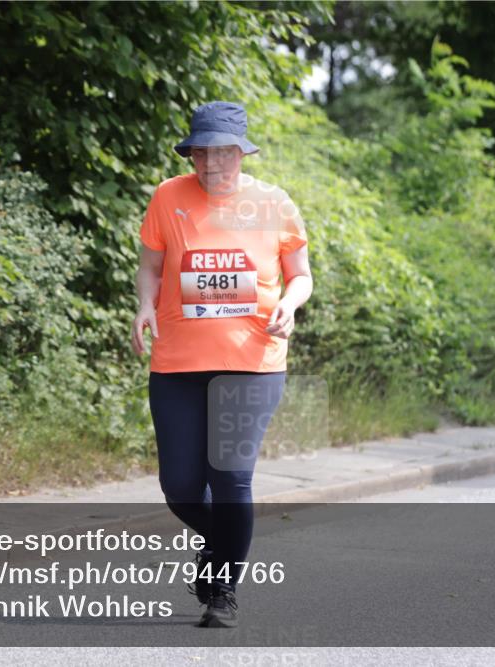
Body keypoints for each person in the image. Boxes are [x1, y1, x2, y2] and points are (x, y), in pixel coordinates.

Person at [131, 101, 313, 628]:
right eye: (202, 153)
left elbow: (300, 274)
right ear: (191, 153)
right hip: (178, 361)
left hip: (251, 360)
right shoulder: (168, 196)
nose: (212, 164)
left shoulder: (274, 203)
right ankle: (220, 545)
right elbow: (151, 266)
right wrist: (145, 304)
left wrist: (290, 302)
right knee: (182, 487)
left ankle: (222, 589)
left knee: (230, 478)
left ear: (242, 152)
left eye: (223, 153)